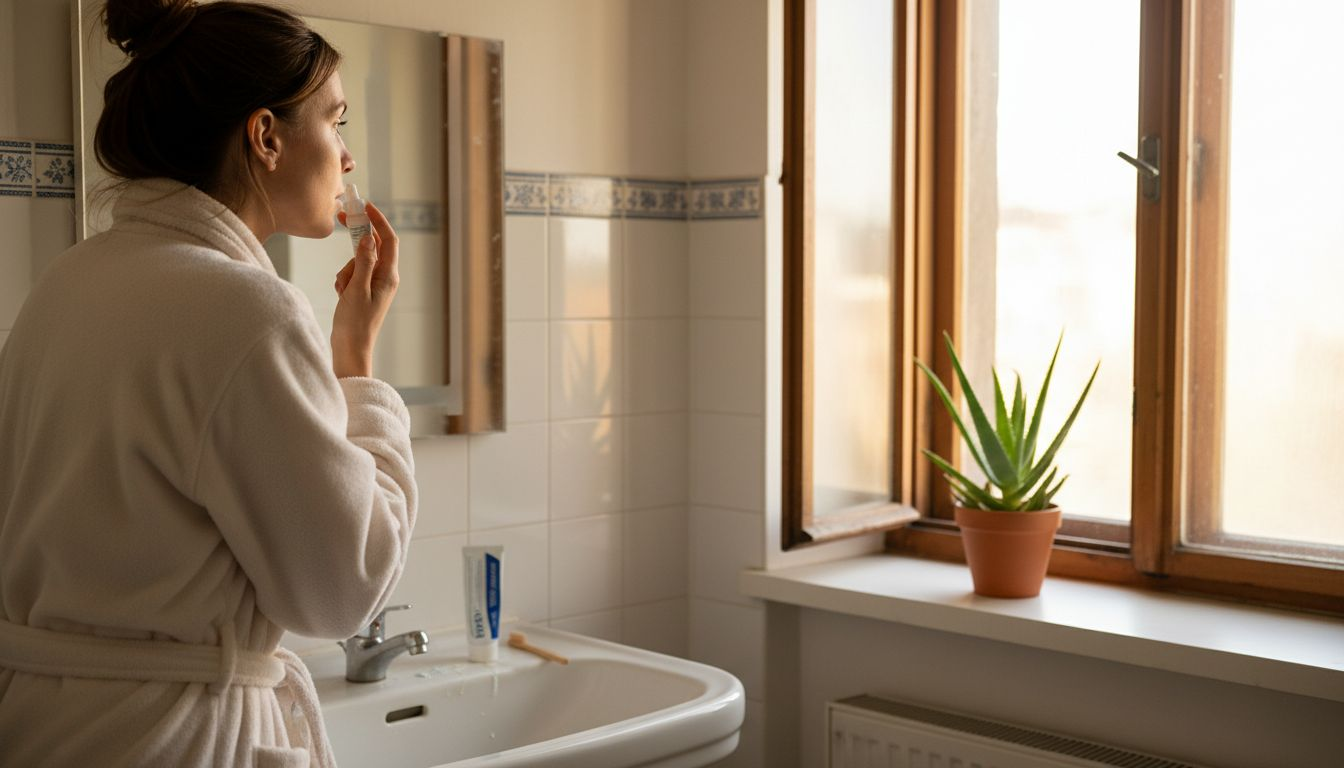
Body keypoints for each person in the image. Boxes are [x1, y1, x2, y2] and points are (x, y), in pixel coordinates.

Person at [0, 0, 417, 765]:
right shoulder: (247, 311)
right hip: (170, 739)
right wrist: (356, 361)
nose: (348, 157)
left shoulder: (65, 284)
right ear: (265, 137)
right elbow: (343, 591)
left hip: (42, 727)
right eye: (336, 121)